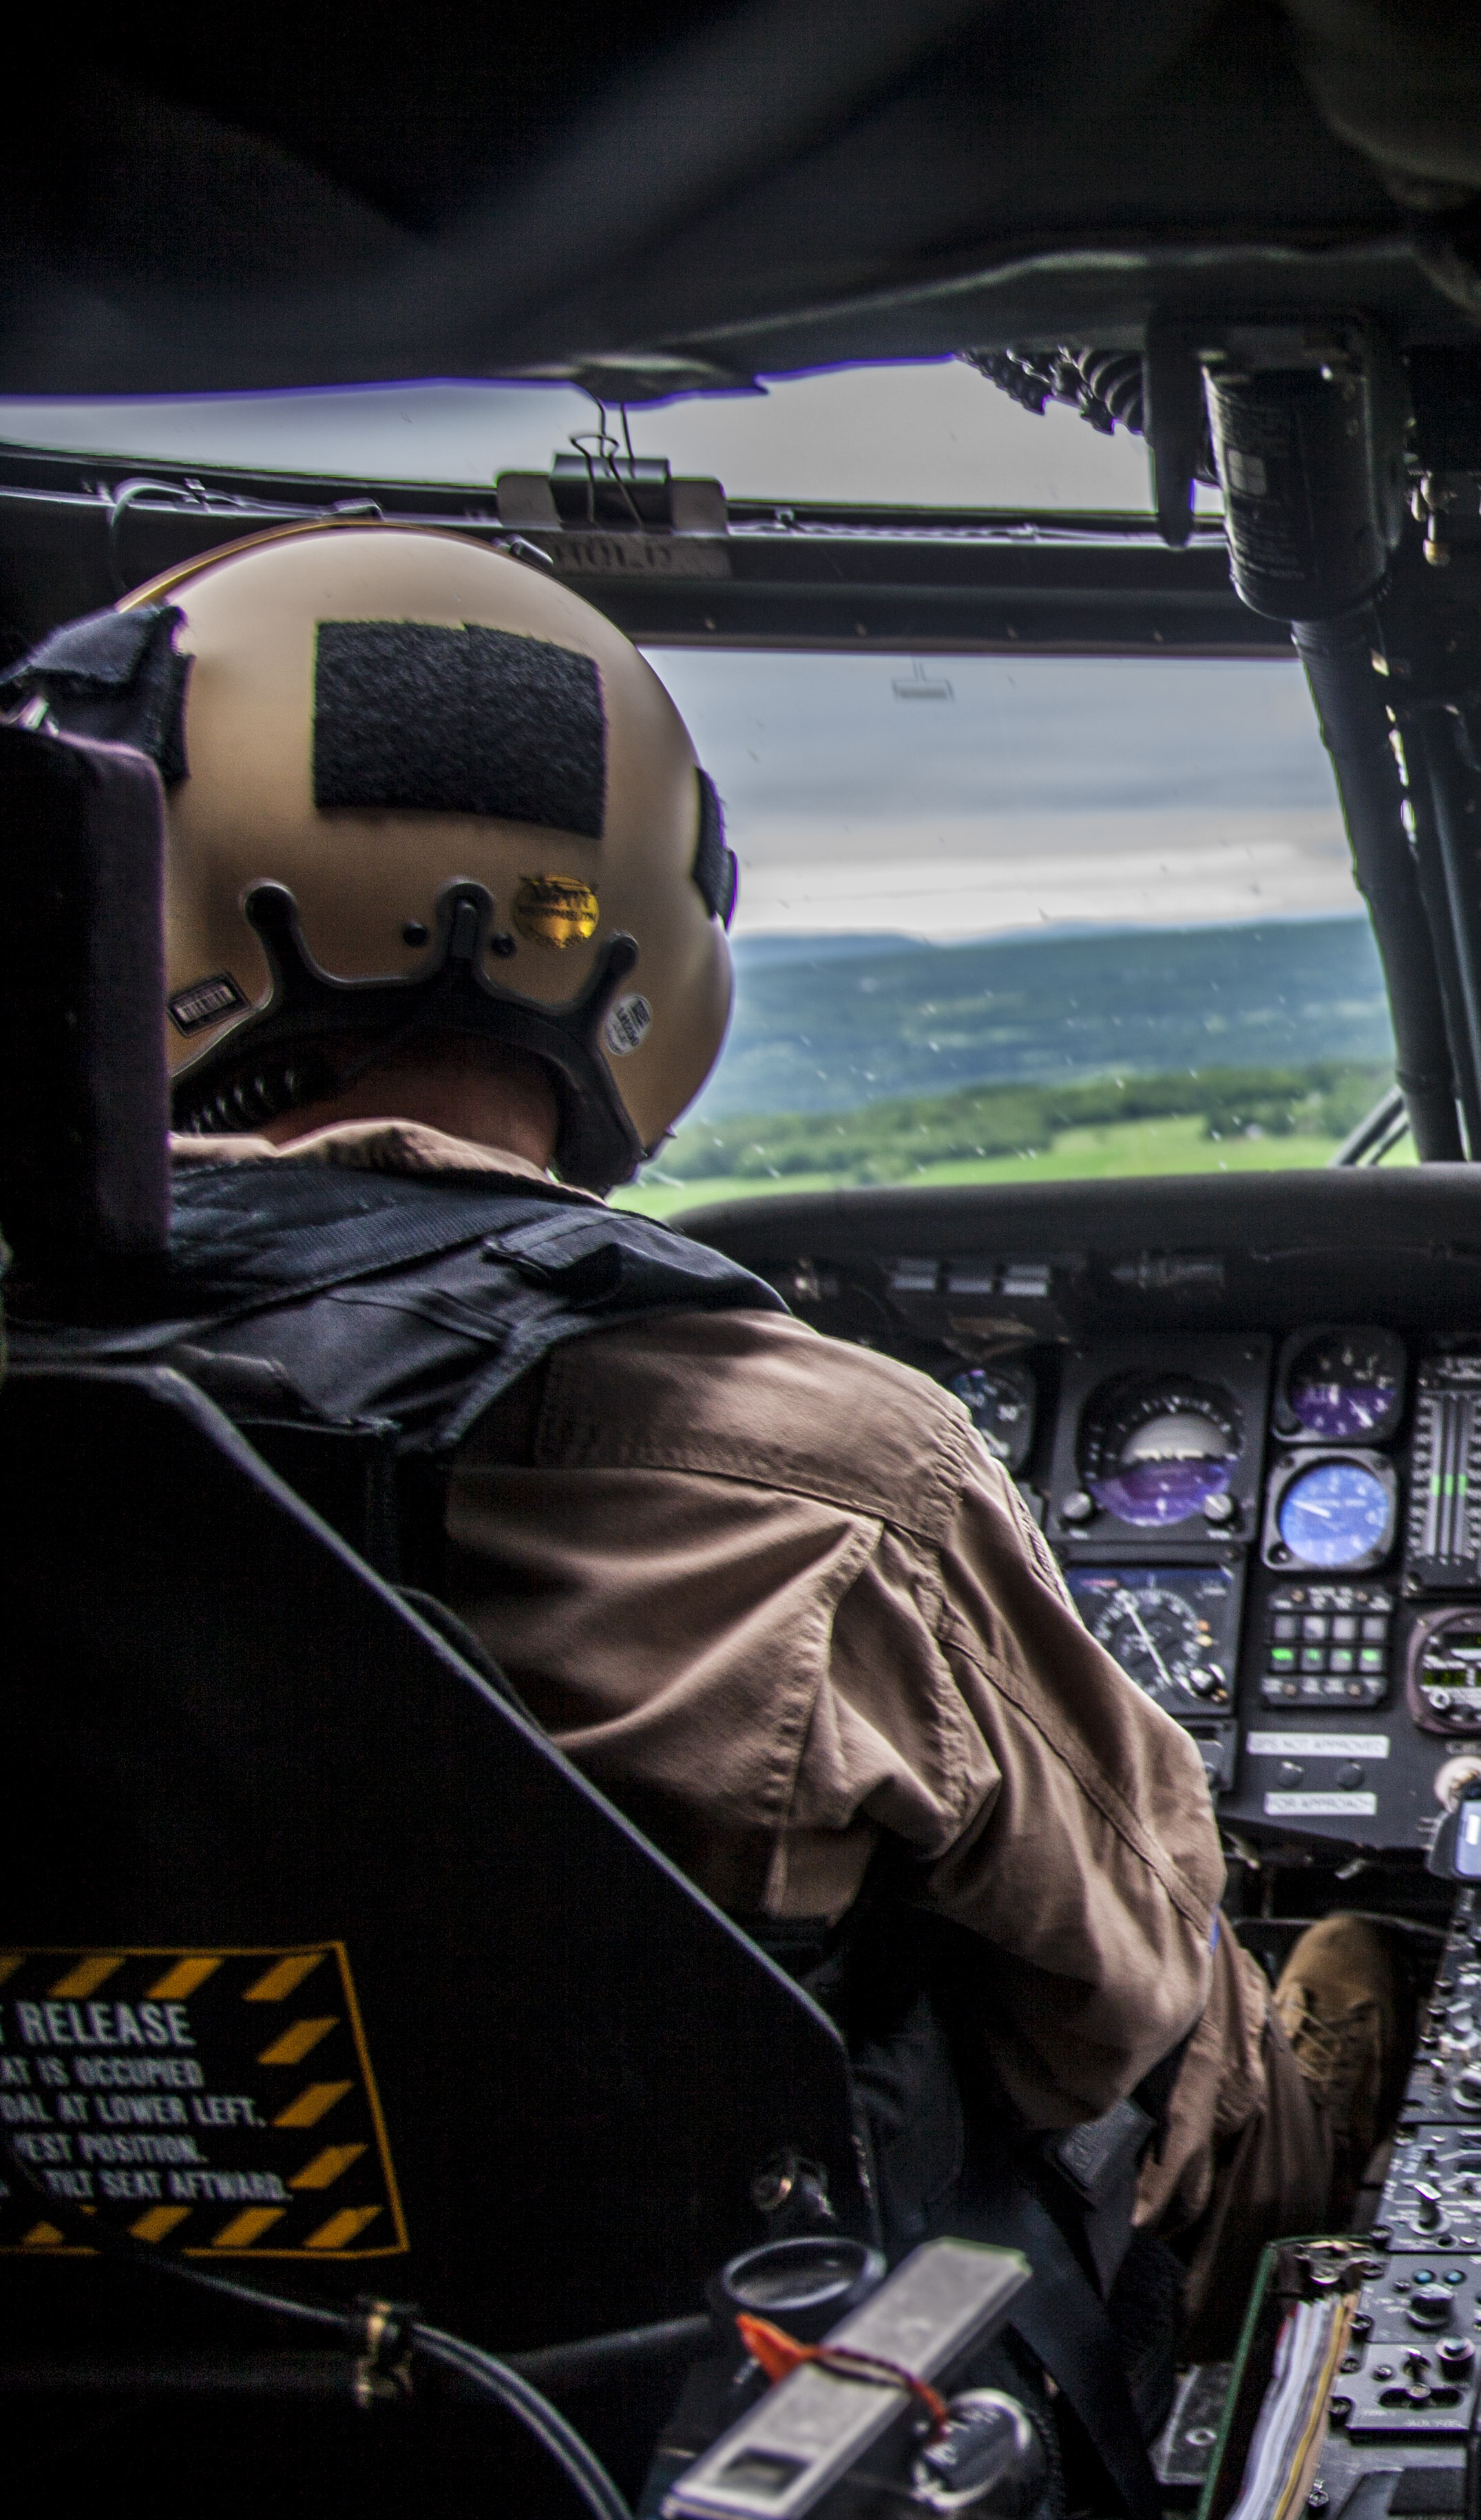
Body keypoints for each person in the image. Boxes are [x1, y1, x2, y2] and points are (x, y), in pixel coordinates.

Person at [6, 522, 1397, 2368]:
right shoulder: (814, 1471)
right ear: (645, 936)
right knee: (1242, 2008)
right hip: (750, 2438)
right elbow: (1114, 2016)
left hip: (129, 2432)